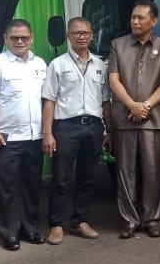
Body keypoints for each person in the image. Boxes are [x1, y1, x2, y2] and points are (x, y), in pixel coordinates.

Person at [107, 0, 160, 239]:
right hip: (124, 117)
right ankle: (129, 219)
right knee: (125, 171)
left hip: (153, 118)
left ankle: (152, 218)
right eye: (132, 17)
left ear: (153, 21)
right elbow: (114, 80)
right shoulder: (118, 45)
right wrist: (131, 105)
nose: (135, 21)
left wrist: (145, 106)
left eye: (140, 18)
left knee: (152, 170)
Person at [0, 19, 47, 251]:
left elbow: (46, 100)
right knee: (6, 188)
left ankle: (30, 229)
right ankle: (9, 233)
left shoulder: (40, 64)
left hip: (34, 136)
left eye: (24, 38)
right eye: (15, 37)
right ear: (6, 39)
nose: (20, 41)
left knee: (31, 185)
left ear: (32, 38)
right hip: (6, 137)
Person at [41, 17, 110, 245]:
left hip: (93, 126)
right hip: (65, 127)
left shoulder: (101, 65)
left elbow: (106, 101)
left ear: (92, 36)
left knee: (87, 177)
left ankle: (81, 220)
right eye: (76, 33)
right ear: (69, 36)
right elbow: (49, 101)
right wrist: (48, 133)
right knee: (61, 178)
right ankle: (57, 224)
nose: (82, 36)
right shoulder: (57, 65)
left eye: (86, 33)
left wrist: (108, 130)